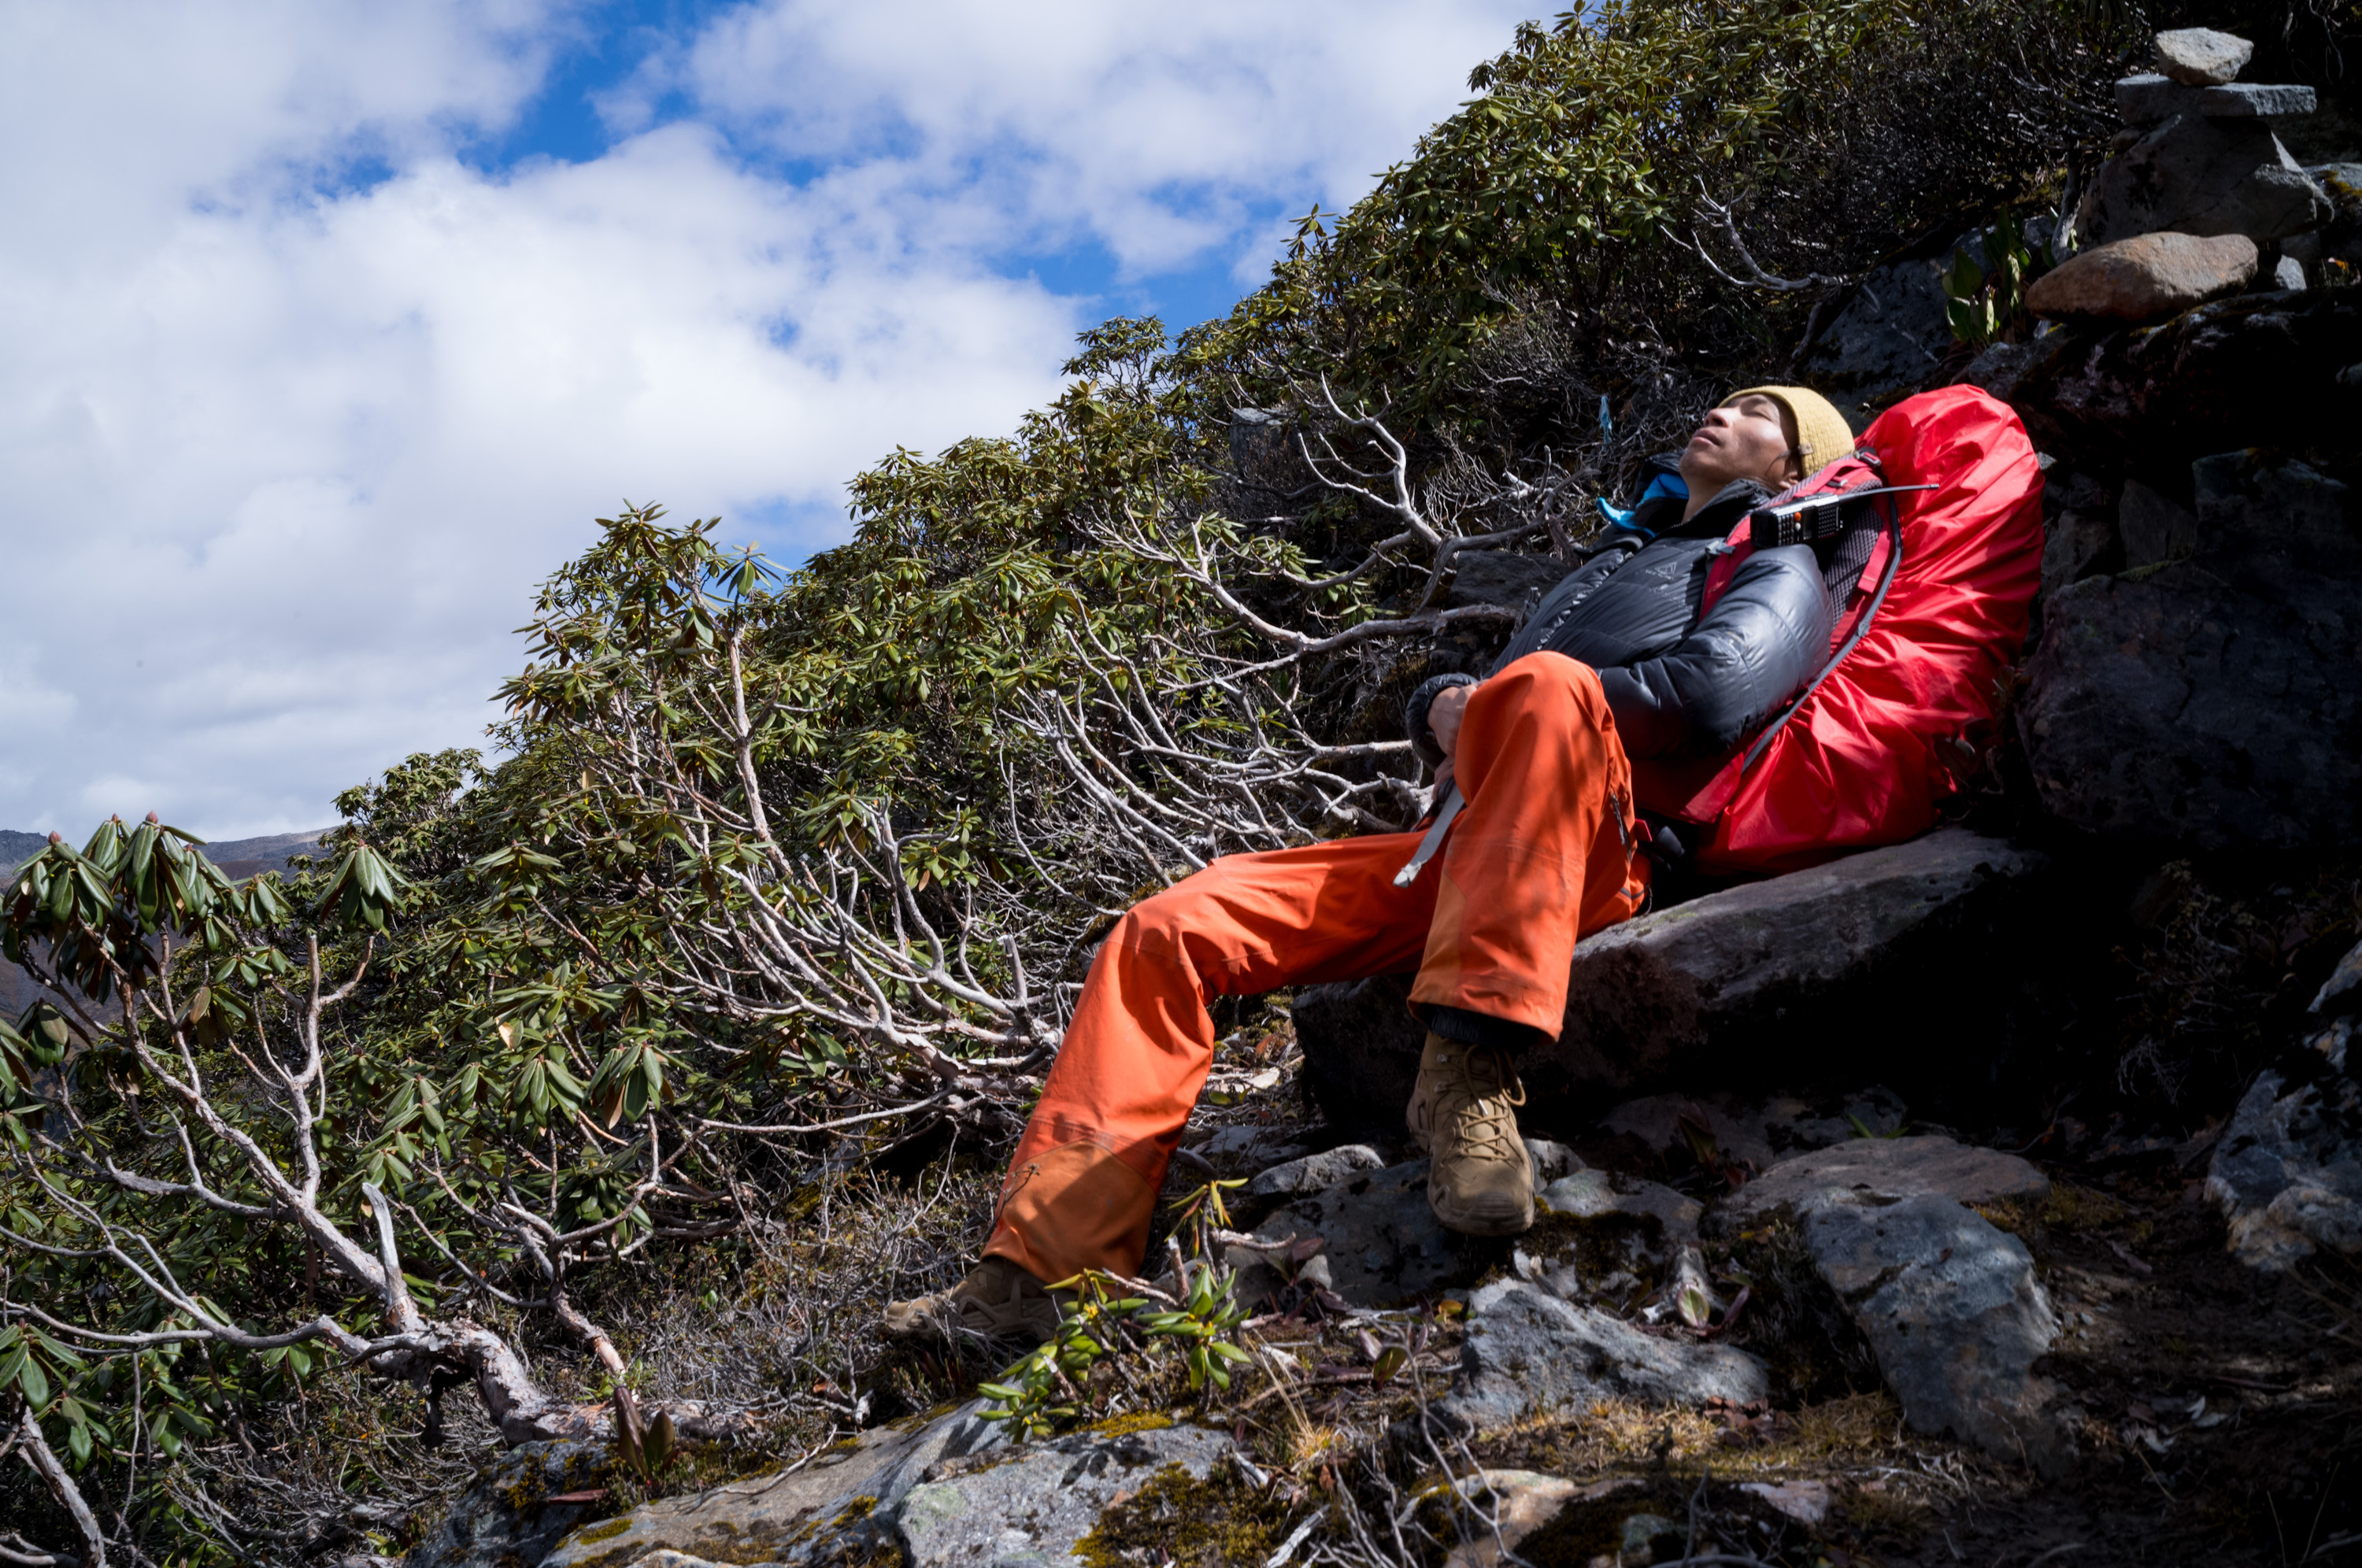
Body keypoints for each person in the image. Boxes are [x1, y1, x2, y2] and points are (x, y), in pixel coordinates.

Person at [885, 386, 1862, 1343]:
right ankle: (1040, 1269)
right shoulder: (1624, 552)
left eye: (1760, 415)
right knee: (1170, 930)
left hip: (1603, 846)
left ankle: (1467, 1082)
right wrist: (1440, 699)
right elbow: (1485, 696)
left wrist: (1499, 704)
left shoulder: (1780, 563)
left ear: (1797, 464)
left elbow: (1711, 693)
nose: (1725, 413)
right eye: (1726, 401)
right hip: (1468, 844)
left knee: (1552, 684)